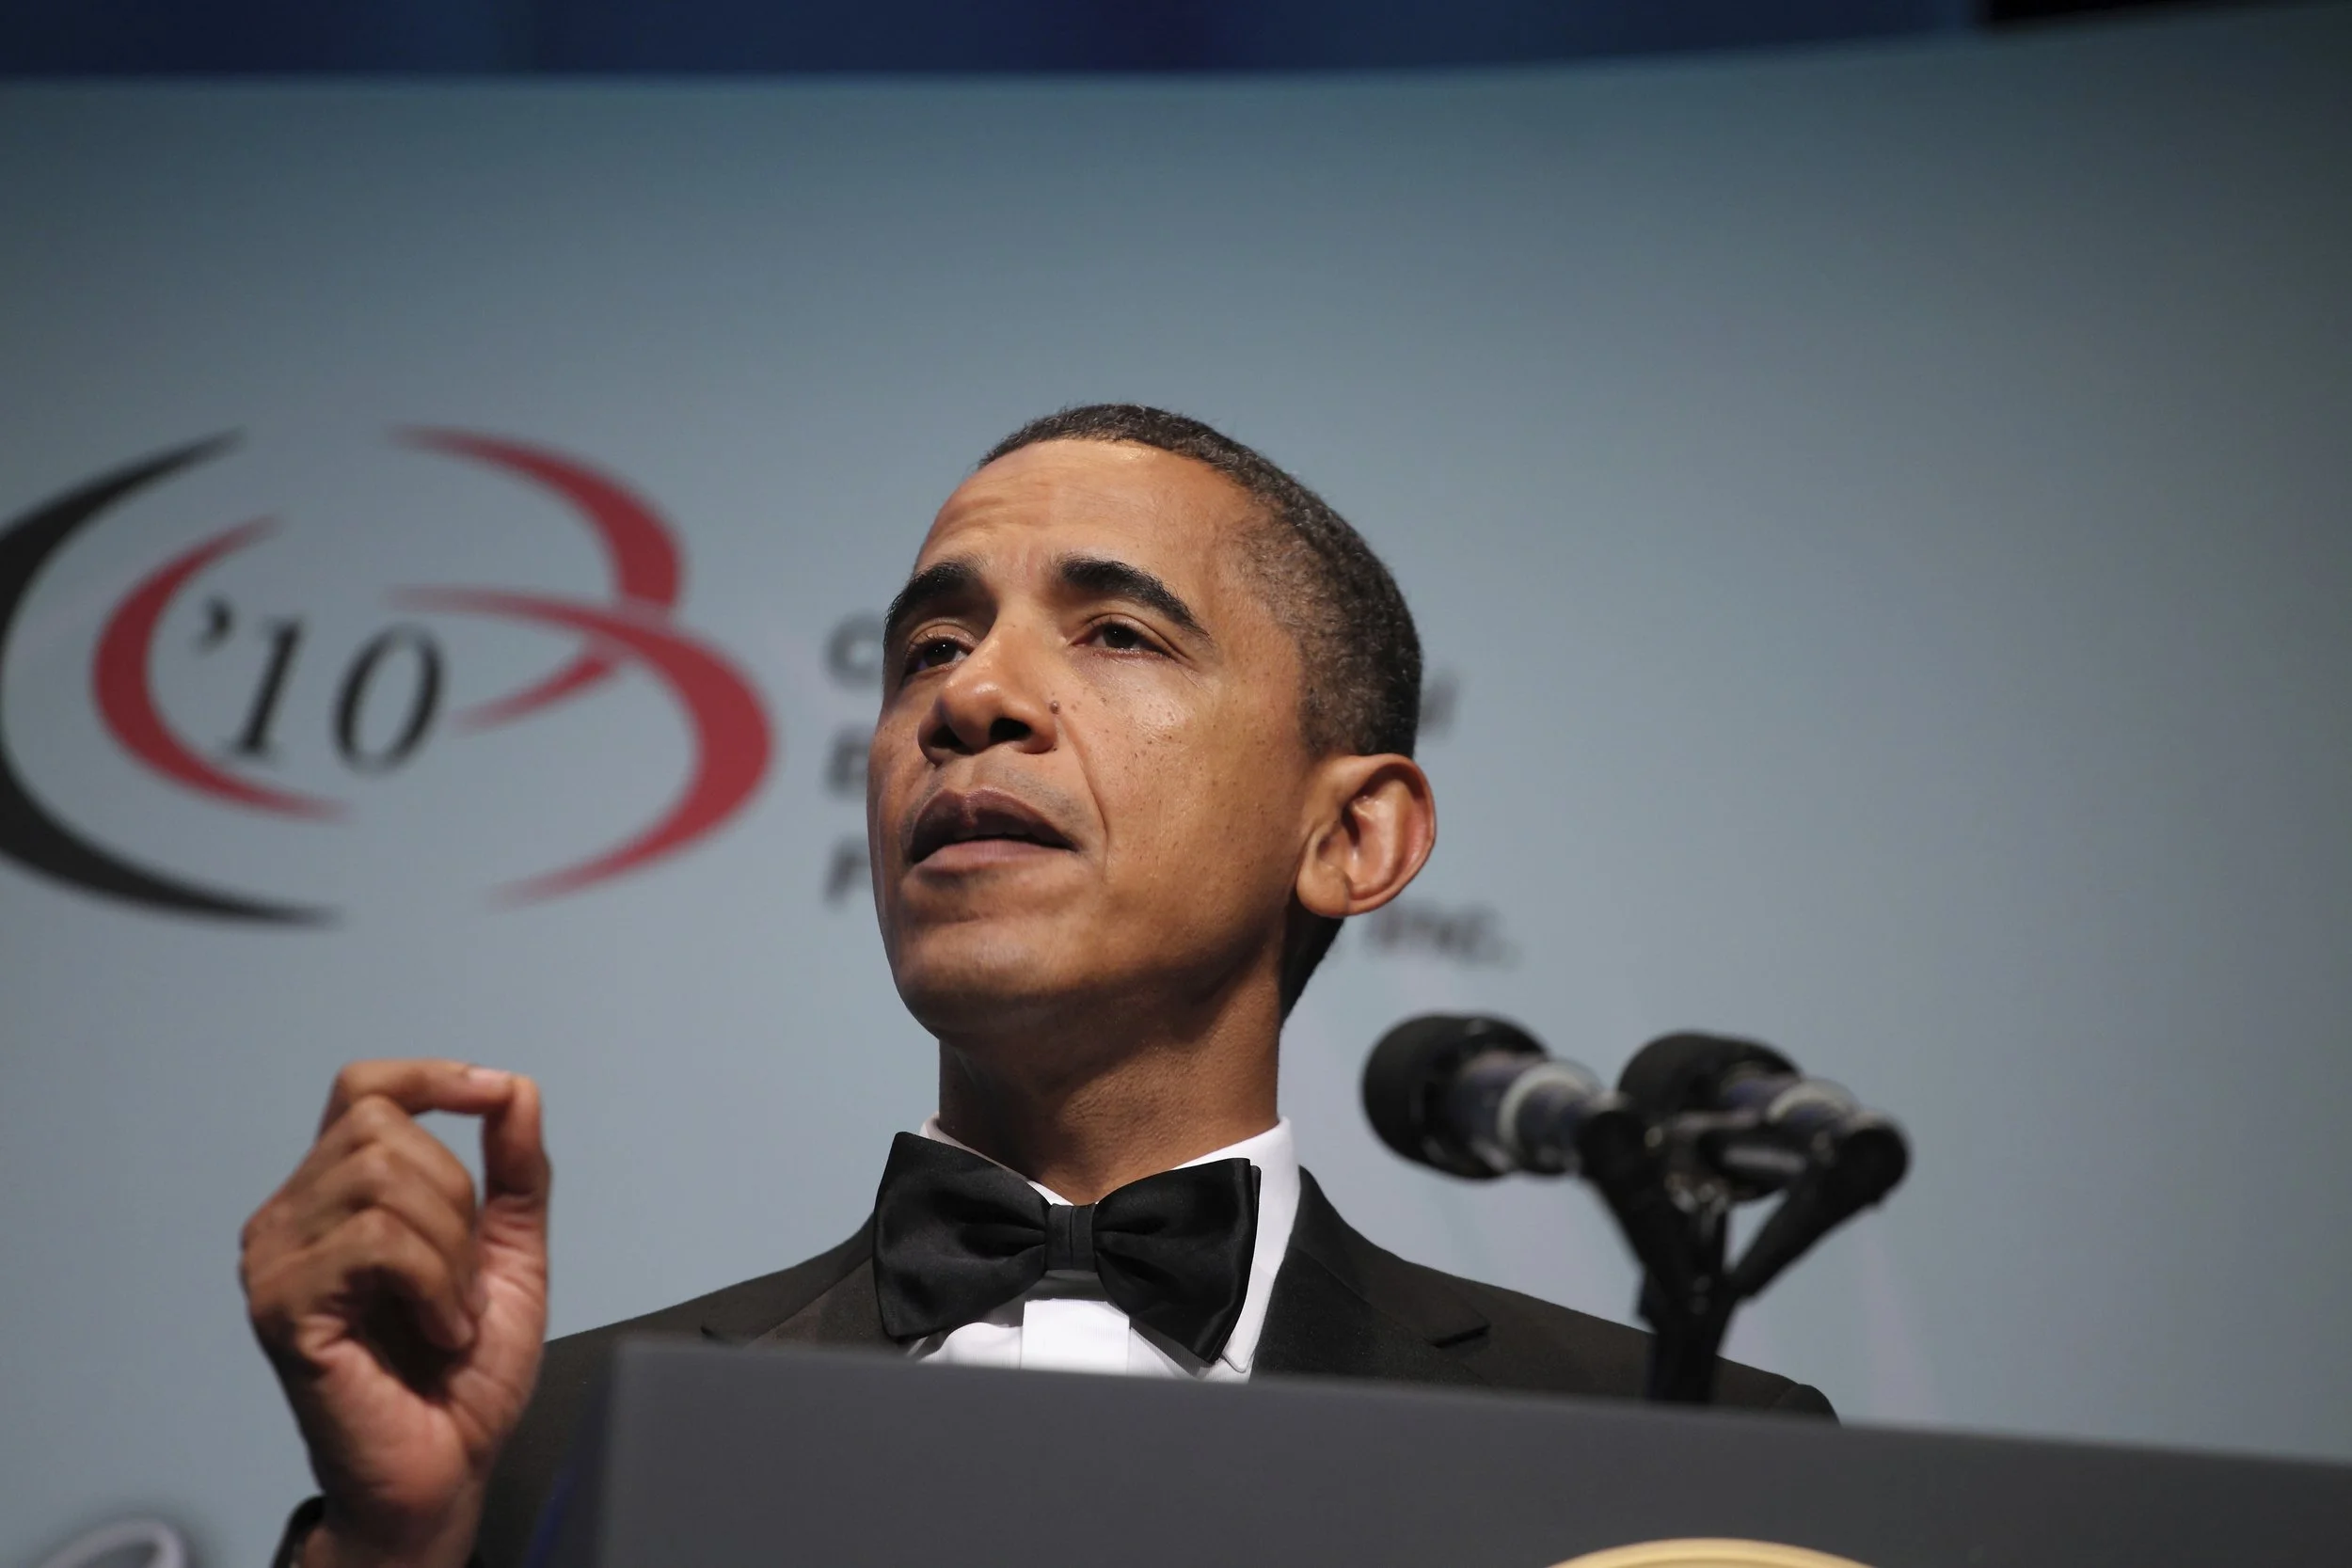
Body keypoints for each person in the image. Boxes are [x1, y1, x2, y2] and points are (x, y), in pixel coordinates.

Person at [241, 405, 1829, 1568]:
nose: (974, 697)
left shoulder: (1672, 1447)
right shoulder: (540, 1459)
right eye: (928, 646)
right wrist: (397, 1552)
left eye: (1119, 631)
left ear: (1353, 833)